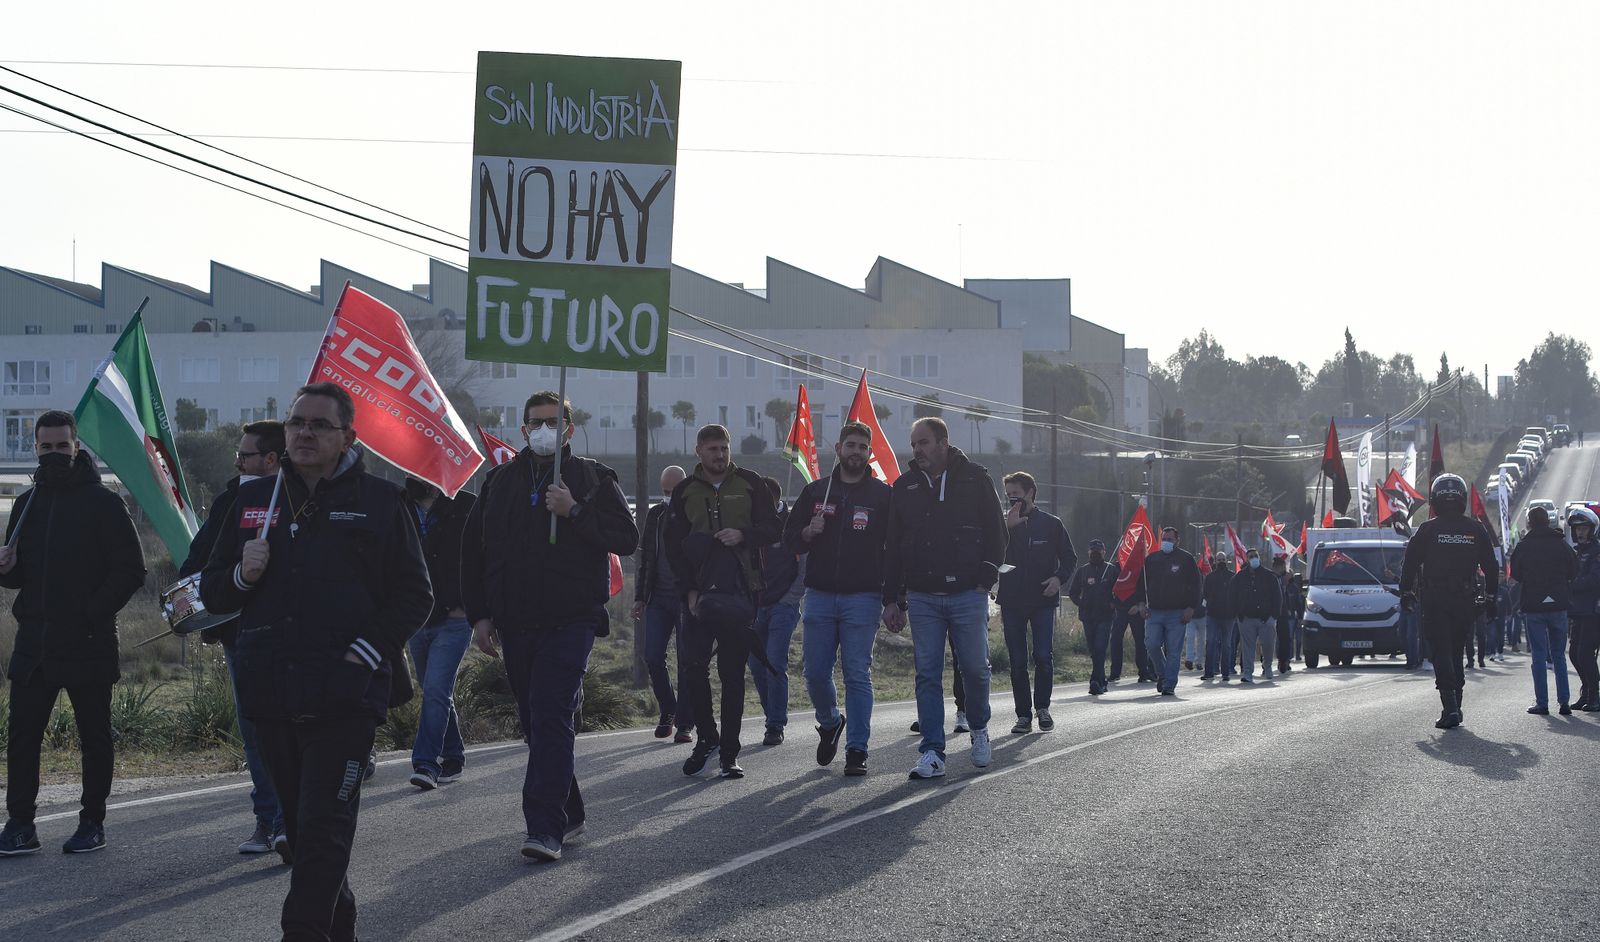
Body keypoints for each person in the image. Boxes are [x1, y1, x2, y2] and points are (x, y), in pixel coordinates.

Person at [200, 383, 433, 937]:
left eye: (318, 425)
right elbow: (209, 590)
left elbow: (415, 594)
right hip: (271, 693)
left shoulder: (380, 501)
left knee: (325, 831)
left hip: (346, 696)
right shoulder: (250, 501)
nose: (304, 432)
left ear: (347, 437)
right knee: (305, 841)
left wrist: (366, 651)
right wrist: (241, 575)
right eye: (296, 422)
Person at [461, 390, 639, 861]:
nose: (542, 429)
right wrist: (480, 614)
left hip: (572, 619)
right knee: (538, 725)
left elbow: (626, 536)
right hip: (516, 622)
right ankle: (569, 806)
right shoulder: (499, 482)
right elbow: (474, 553)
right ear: (522, 429)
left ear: (569, 429)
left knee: (550, 713)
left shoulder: (593, 478)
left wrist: (575, 512)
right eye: (534, 422)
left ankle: (544, 828)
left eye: (552, 422)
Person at [0, 411, 146, 858]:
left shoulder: (104, 502)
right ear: (36, 449)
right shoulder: (27, 504)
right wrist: (5, 570)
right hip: (35, 642)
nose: (54, 454)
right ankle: (21, 825)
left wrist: (88, 614)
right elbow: (20, 575)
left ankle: (92, 822)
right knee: (22, 736)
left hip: (88, 640)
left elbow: (131, 571)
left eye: (62, 446)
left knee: (94, 736)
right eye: (45, 447)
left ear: (77, 447)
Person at [178, 419, 287, 858]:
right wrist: (235, 579)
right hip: (241, 637)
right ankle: (268, 820)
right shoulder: (232, 501)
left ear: (271, 459)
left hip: (296, 639)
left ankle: (297, 818)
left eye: (244, 456)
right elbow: (197, 565)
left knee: (295, 729)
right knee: (255, 731)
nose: (237, 462)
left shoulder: (306, 501)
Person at [883, 417, 1006, 779]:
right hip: (922, 596)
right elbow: (892, 547)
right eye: (914, 443)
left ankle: (980, 730)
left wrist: (986, 576)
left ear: (942, 443)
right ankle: (932, 752)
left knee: (975, 668)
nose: (917, 449)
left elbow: (997, 533)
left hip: (968, 593)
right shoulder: (903, 487)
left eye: (923, 442)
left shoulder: (975, 478)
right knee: (927, 674)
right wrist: (893, 597)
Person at [665, 424, 782, 780]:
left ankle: (730, 753)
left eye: (724, 448)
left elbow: (774, 528)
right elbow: (673, 547)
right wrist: (689, 591)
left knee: (732, 675)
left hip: (739, 592)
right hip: (698, 596)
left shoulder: (750, 482)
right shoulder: (684, 490)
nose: (719, 455)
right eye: (712, 448)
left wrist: (743, 534)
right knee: (694, 670)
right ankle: (707, 738)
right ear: (699, 451)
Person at [786, 421, 893, 775]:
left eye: (863, 447)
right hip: (818, 595)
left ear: (869, 453)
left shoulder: (881, 495)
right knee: (814, 673)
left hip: (863, 597)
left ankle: (857, 750)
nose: (856, 452)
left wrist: (895, 597)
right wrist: (807, 530)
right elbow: (790, 540)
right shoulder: (817, 491)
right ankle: (830, 721)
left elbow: (894, 547)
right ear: (838, 448)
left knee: (857, 674)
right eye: (851, 445)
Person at [1399, 473, 1499, 730]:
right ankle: (1457, 705)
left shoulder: (1428, 529)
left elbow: (1409, 563)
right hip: (1465, 600)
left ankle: (1451, 707)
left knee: (1441, 652)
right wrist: (1490, 598)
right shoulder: (1475, 529)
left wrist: (1406, 593)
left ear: (1434, 499)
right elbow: (1492, 565)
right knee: (1455, 651)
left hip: (1435, 599)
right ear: (1462, 499)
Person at [401, 475, 476, 791]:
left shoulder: (466, 506)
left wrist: (468, 604)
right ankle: (454, 754)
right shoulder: (400, 506)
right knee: (435, 690)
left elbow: (480, 560)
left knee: (435, 688)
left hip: (454, 619)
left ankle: (426, 763)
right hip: (416, 618)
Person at [997, 471, 1076, 733]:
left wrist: (1058, 579)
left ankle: (1042, 708)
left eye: (1016, 495)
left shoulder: (1052, 524)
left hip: (1043, 600)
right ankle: (1023, 715)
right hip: (1012, 600)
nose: (1012, 501)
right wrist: (1008, 529)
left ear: (1030, 492)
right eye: (1008, 496)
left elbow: (1069, 559)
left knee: (1042, 656)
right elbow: (991, 553)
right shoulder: (1002, 524)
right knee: (1017, 661)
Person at [631, 465, 693, 743]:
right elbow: (646, 559)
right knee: (653, 656)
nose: (669, 496)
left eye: (674, 491)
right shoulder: (655, 515)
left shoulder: (695, 513)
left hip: (686, 599)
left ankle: (686, 723)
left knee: (687, 660)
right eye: (665, 491)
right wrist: (640, 598)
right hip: (658, 598)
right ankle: (668, 708)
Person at [749, 476, 803, 746]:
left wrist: (791, 598)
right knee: (756, 666)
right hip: (753, 607)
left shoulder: (791, 523)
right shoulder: (750, 523)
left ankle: (775, 725)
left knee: (774, 663)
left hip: (783, 606)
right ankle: (771, 713)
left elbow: (804, 563)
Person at [1508, 506, 1575, 715]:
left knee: (1538, 654)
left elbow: (1516, 574)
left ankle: (1542, 702)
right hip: (1558, 604)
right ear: (1549, 521)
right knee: (1559, 655)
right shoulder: (1561, 543)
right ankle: (1564, 701)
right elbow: (1575, 569)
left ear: (1529, 523)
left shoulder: (1524, 545)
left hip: (1534, 605)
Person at [1142, 526, 1203, 696]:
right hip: (1154, 611)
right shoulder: (1152, 559)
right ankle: (1162, 673)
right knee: (1152, 644)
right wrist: (1141, 603)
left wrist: (1191, 607)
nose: (1166, 542)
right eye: (1164, 539)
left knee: (1174, 651)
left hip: (1177, 613)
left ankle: (1169, 684)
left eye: (1170, 539)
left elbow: (1196, 585)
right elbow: (1142, 583)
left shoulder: (1186, 559)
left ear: (1177, 541)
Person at [1067, 539, 1119, 695]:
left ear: (1104, 552)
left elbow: (1122, 591)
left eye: (1099, 550)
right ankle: (1101, 681)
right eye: (1093, 550)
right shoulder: (1083, 571)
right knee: (1093, 650)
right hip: (1088, 617)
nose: (1095, 553)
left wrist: (1113, 603)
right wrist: (1081, 603)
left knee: (1100, 648)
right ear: (1088, 552)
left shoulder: (1112, 570)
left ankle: (1094, 681)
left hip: (1105, 616)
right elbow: (1073, 592)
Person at [1565, 507, 1600, 713]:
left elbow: (1595, 579)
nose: (1580, 532)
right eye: (1577, 528)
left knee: (1585, 653)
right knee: (1574, 654)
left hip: (1594, 611)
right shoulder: (1577, 552)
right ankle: (1586, 692)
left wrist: (1571, 584)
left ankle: (1594, 697)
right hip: (1578, 610)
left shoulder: (1597, 552)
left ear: (1592, 529)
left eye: (1584, 528)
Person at [1229, 548, 1281, 684]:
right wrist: (1237, 613)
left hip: (1266, 619)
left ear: (1259, 557)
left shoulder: (1269, 576)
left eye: (1255, 556)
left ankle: (1268, 666)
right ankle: (1247, 673)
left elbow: (1277, 597)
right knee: (1247, 648)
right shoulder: (1240, 577)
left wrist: (1274, 616)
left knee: (1268, 645)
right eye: (1250, 556)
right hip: (1246, 618)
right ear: (1247, 559)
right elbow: (1232, 595)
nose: (1253, 559)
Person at [1109, 576, 1152, 683]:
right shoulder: (1116, 567)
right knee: (1115, 640)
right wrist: (1112, 602)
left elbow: (1145, 588)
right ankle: (1115, 673)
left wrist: (1139, 605)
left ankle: (1144, 672)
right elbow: (1110, 586)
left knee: (1141, 641)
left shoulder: (1140, 567)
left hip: (1136, 610)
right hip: (1120, 610)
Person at [1201, 552, 1236, 681]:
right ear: (1215, 561)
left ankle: (1225, 672)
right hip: (1213, 615)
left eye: (1223, 559)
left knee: (1226, 645)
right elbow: (1205, 593)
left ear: (1226, 561)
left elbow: (1236, 595)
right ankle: (1209, 672)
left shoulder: (1232, 576)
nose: (1221, 561)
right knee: (1211, 642)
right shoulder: (1210, 577)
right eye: (1219, 559)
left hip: (1228, 616)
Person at [1272, 554, 1300, 674]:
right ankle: (1266, 664)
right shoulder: (1271, 578)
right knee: (1270, 640)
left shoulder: (1285, 581)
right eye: (1283, 567)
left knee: (1285, 639)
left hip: (1284, 614)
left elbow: (1293, 600)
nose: (1285, 570)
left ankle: (1284, 661)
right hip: (1272, 613)